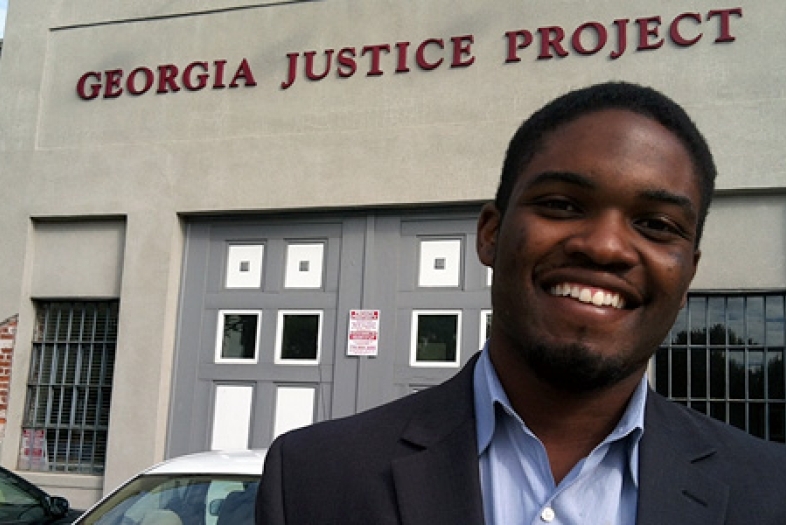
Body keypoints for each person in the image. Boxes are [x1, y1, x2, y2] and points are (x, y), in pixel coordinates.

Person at [255, 82, 786, 524]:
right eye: (561, 204)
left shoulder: (768, 493)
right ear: (490, 234)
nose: (603, 246)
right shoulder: (313, 479)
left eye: (655, 224)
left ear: (688, 273)